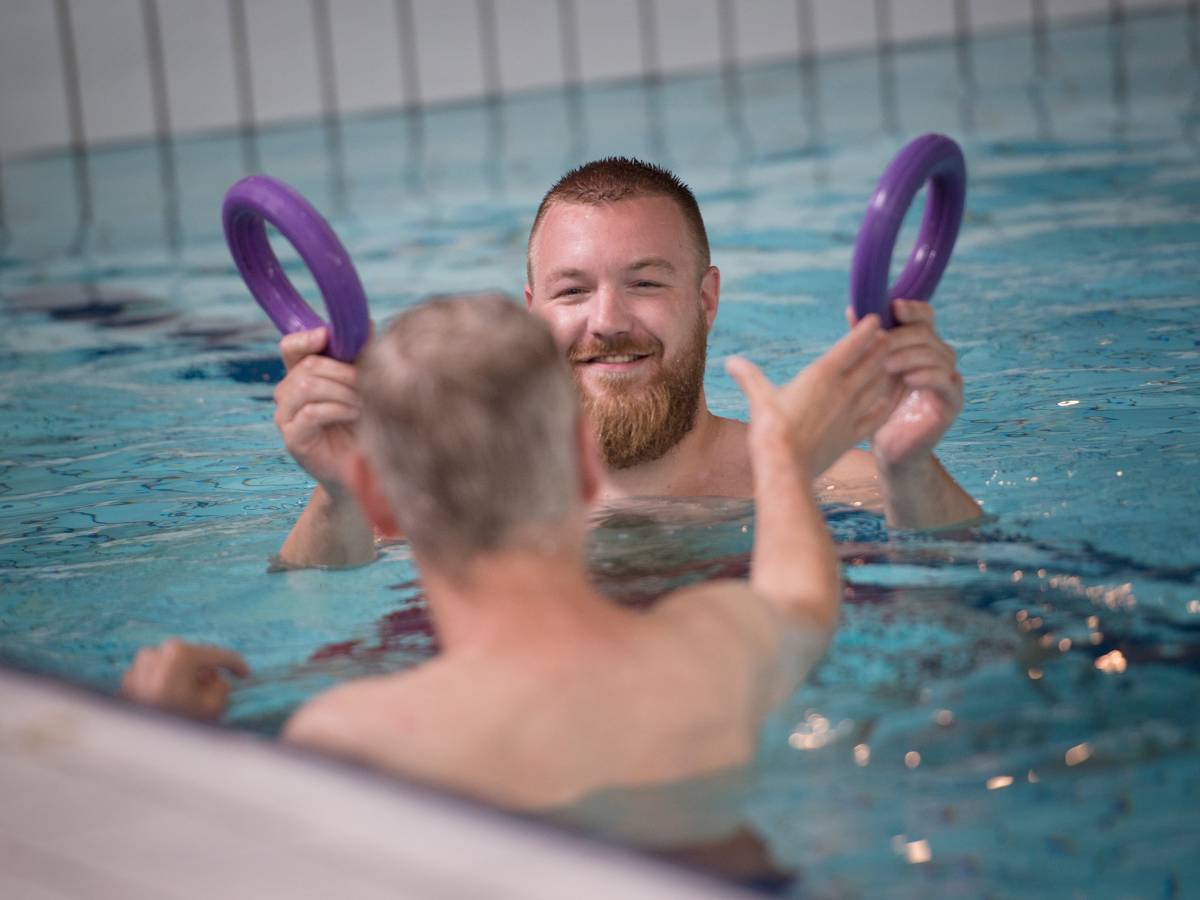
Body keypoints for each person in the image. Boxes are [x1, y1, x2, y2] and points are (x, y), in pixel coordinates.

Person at [123, 293, 895, 814]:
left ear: (383, 502)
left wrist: (159, 745)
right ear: (587, 465)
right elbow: (801, 597)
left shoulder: (352, 741)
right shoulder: (714, 647)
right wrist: (781, 456)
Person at [272, 158, 979, 569]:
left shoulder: (821, 478)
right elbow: (308, 606)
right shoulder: (455, 494)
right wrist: (337, 492)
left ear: (706, 299)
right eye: (572, 290)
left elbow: (973, 585)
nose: (607, 322)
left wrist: (911, 466)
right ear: (531, 313)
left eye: (645, 283)